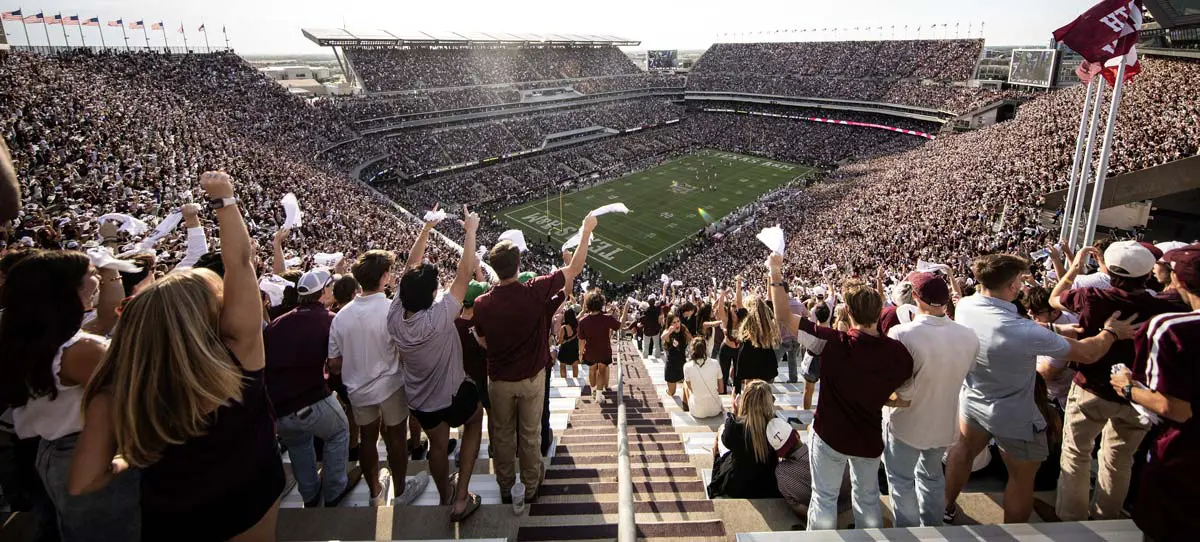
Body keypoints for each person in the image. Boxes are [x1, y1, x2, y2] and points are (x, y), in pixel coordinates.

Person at [69, 171, 281, 540]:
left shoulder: (120, 386)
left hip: (173, 516)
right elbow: (241, 263)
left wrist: (133, 458)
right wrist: (223, 198)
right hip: (251, 496)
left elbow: (84, 481)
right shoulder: (238, 358)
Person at [943, 254, 1137, 525]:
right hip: (1015, 415)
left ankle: (946, 507)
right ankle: (1016, 533)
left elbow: (1003, 323)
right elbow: (1088, 353)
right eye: (1020, 282)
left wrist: (1055, 328)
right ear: (1011, 286)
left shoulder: (965, 305)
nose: (1023, 287)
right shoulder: (1024, 331)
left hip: (974, 400)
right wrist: (1111, 332)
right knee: (1021, 478)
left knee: (962, 452)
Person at [0, 250, 140, 541]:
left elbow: (105, 317)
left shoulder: (38, 337)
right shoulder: (82, 351)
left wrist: (111, 271)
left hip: (53, 452)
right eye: (91, 274)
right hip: (90, 453)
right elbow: (139, 393)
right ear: (67, 290)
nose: (98, 279)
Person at [768, 254, 913, 531]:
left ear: (847, 312)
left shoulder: (832, 341)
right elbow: (903, 398)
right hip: (868, 437)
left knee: (824, 498)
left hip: (831, 435)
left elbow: (783, 316)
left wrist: (775, 271)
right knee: (868, 497)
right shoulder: (898, 353)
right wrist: (877, 395)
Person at [1049, 242, 1187, 521]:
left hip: (1093, 388)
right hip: (1136, 394)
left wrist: (1074, 269)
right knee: (1119, 459)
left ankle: (1071, 521)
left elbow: (1055, 298)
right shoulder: (1164, 304)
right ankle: (1106, 518)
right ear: (1148, 273)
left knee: (1076, 454)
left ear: (1109, 272)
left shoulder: (1092, 296)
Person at [472, 214, 598, 507]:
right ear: (518, 266)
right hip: (531, 377)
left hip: (499, 379)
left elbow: (481, 339)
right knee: (529, 435)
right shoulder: (533, 291)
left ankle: (505, 487)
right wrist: (586, 231)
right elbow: (575, 269)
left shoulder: (481, 303)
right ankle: (529, 487)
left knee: (502, 436)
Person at [388, 205, 484, 522]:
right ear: (431, 294)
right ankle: (460, 496)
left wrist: (427, 229)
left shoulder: (395, 312)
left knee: (438, 447)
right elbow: (463, 274)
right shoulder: (440, 316)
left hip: (421, 399)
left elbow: (410, 269)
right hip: (452, 394)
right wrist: (470, 230)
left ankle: (443, 495)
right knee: (475, 420)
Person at [1111, 243, 1198, 541]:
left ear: (1180, 280)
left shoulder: (1171, 327)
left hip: (1184, 458)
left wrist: (1126, 387)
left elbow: (1174, 408)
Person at [329, 249, 429, 507]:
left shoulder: (340, 317)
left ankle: (375, 494)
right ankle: (401, 490)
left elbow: (334, 365)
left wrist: (357, 356)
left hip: (359, 389)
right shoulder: (389, 309)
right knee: (396, 438)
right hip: (390, 384)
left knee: (367, 438)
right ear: (384, 277)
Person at [883, 272, 979, 527]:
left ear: (915, 298)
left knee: (901, 480)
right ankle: (933, 529)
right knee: (932, 477)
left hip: (908, 423)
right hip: (944, 423)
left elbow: (893, 382)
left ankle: (909, 533)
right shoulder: (969, 336)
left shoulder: (902, 333)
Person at [264, 267, 360, 509]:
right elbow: (336, 365)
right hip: (311, 399)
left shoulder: (277, 323)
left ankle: (309, 495)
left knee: (299, 445)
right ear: (324, 291)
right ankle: (334, 489)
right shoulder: (328, 320)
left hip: (279, 407)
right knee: (339, 432)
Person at [707, 380, 781, 499]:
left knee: (720, 431)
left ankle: (715, 471)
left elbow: (727, 441)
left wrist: (734, 411)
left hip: (738, 486)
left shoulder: (735, 425)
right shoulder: (776, 425)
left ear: (745, 401)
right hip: (768, 485)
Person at [1025, 286, 1079, 409]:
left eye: (1037, 311)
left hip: (1058, 398)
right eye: (1029, 310)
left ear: (1054, 311)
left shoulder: (1063, 334)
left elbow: (1046, 373)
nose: (1030, 314)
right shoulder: (1062, 317)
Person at [577, 288, 625, 399]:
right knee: (602, 371)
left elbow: (581, 339)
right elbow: (620, 326)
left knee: (592, 369)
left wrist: (580, 353)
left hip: (590, 350)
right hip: (604, 349)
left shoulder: (583, 321)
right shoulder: (607, 318)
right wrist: (625, 309)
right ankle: (598, 395)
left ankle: (594, 390)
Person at [732, 295, 780, 395]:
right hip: (765, 352)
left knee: (749, 386)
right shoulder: (767, 320)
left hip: (748, 353)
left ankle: (749, 405)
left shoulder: (747, 319)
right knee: (763, 386)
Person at [682, 337, 723, 418]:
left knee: (685, 384)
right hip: (715, 410)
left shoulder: (687, 366)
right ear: (705, 348)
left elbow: (691, 390)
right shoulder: (715, 363)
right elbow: (721, 390)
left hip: (698, 412)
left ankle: (686, 409)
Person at [661, 313, 692, 399]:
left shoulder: (683, 328)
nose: (677, 324)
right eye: (673, 322)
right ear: (670, 324)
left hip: (683, 364)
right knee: (672, 392)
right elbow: (662, 337)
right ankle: (667, 392)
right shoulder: (668, 332)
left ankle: (688, 406)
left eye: (678, 321)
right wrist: (669, 332)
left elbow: (691, 339)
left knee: (689, 389)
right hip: (671, 365)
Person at [557, 305, 580, 379]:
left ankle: (564, 379)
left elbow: (560, 341)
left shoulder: (563, 328)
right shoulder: (577, 325)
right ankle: (575, 379)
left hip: (565, 349)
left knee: (562, 365)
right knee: (575, 365)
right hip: (575, 347)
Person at [640, 294, 664, 360]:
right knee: (656, 345)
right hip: (656, 330)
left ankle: (645, 357)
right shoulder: (657, 310)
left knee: (645, 345)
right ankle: (657, 356)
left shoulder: (645, 311)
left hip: (647, 330)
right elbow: (662, 302)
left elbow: (641, 319)